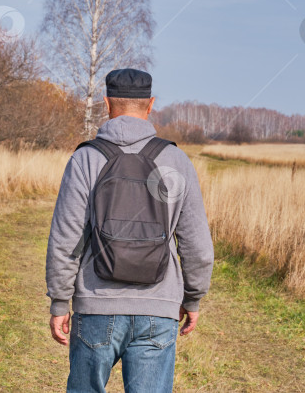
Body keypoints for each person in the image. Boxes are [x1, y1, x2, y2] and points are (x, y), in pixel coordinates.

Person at [45, 68, 214, 393]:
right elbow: (197, 246)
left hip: (96, 306)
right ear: (150, 105)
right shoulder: (176, 161)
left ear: (107, 104)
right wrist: (192, 298)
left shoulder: (86, 159)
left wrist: (59, 301)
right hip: (158, 308)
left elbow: (66, 239)